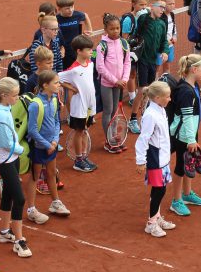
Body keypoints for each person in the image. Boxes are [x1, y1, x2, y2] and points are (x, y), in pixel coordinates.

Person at [0, 77, 32, 258]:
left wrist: (16, 151)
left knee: (10, 195)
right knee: (19, 198)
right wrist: (21, 150)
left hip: (11, 157)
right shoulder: (0, 115)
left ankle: (4, 233)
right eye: (15, 95)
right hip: (5, 158)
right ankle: (19, 241)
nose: (17, 98)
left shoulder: (5, 108)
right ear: (4, 96)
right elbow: (6, 143)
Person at [135, 80, 177, 238]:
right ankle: (151, 223)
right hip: (155, 158)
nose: (170, 99)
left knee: (161, 188)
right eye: (167, 96)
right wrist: (140, 161)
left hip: (163, 157)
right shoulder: (150, 115)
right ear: (158, 98)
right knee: (159, 190)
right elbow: (143, 139)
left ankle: (157, 217)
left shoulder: (160, 109)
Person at [169, 54, 201, 217]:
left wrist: (198, 100)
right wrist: (191, 139)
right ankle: (176, 201)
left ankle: (187, 193)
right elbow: (185, 116)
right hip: (184, 135)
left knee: (189, 163)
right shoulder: (186, 91)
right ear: (194, 69)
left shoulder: (193, 87)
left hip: (190, 131)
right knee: (180, 166)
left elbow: (191, 108)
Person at [27, 71, 70, 218]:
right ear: (45, 85)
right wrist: (47, 145)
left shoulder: (54, 100)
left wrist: (55, 141)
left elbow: (57, 121)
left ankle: (55, 202)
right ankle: (31, 209)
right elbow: (32, 130)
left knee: (52, 173)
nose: (59, 85)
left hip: (51, 145)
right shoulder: (35, 105)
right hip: (39, 147)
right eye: (56, 83)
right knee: (35, 176)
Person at [129, 0, 170, 134]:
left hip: (153, 60)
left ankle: (145, 114)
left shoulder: (162, 24)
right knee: (142, 89)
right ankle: (133, 119)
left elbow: (164, 41)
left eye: (164, 8)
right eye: (160, 7)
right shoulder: (144, 19)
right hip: (142, 59)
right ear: (152, 7)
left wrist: (165, 51)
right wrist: (147, 10)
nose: (163, 10)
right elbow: (141, 22)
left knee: (151, 90)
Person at [60, 34, 99, 172]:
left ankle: (83, 156)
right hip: (79, 107)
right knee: (79, 132)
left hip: (89, 106)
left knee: (84, 131)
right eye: (88, 50)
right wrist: (70, 87)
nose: (91, 52)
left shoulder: (90, 64)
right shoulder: (73, 70)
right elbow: (56, 78)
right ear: (79, 51)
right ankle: (78, 160)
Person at [96, 14, 131, 153]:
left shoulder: (124, 43)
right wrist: (115, 80)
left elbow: (127, 62)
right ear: (106, 29)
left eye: (117, 28)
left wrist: (125, 79)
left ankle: (115, 137)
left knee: (115, 112)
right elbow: (100, 67)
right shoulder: (101, 46)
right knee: (108, 111)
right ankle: (108, 141)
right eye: (112, 29)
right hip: (107, 83)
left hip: (120, 84)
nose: (115, 31)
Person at [121, 0, 148, 106]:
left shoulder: (145, 16)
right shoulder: (129, 20)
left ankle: (137, 93)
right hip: (131, 51)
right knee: (132, 74)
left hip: (141, 49)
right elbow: (124, 38)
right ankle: (132, 97)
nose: (143, 7)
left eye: (145, 5)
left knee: (138, 73)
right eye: (141, 5)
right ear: (133, 4)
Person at [56, 0, 94, 68]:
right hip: (64, 50)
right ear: (59, 9)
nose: (71, 10)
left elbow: (85, 15)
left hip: (76, 48)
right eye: (67, 8)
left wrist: (90, 30)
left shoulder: (77, 15)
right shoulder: (56, 19)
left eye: (72, 7)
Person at [159, 0, 178, 77]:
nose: (172, 5)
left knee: (167, 65)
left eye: (173, 3)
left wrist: (174, 36)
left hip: (170, 46)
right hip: (160, 47)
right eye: (170, 4)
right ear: (164, 4)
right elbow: (158, 32)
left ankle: (166, 82)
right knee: (157, 66)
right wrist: (165, 41)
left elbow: (174, 27)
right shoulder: (160, 16)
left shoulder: (172, 14)